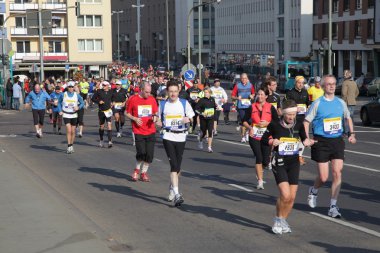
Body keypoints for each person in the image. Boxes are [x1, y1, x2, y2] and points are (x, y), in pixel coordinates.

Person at [304, 75, 356, 218]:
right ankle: (313, 190)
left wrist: (352, 133)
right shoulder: (317, 103)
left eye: (334, 84)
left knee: (338, 172)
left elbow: (348, 118)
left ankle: (333, 206)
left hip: (337, 141)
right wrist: (307, 138)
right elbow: (306, 121)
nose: (332, 86)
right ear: (323, 86)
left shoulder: (340, 102)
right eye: (329, 84)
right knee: (324, 177)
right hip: (321, 141)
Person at [262, 100, 313, 234]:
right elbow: (263, 139)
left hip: (294, 162)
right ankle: (278, 220)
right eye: (289, 114)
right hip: (279, 161)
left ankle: (283, 220)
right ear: (283, 113)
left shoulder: (299, 124)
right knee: (285, 194)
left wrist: (309, 141)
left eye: (293, 114)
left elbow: (304, 139)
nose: (291, 117)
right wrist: (272, 141)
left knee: (291, 197)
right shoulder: (274, 125)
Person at [158, 81, 195, 206]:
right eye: (171, 91)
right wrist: (157, 122)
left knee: (177, 167)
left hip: (181, 137)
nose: (173, 93)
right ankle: (178, 195)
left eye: (175, 91)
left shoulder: (184, 103)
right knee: (173, 164)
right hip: (168, 136)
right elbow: (157, 118)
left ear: (179, 91)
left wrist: (188, 119)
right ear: (167, 92)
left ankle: (172, 188)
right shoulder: (163, 104)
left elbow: (191, 116)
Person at [243, 87, 278, 189]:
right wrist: (250, 128)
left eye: (262, 94)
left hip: (267, 137)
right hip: (254, 136)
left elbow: (276, 122)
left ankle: (259, 171)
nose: (260, 96)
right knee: (259, 157)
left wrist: (268, 123)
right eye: (258, 94)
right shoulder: (252, 107)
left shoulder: (271, 108)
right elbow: (244, 121)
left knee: (266, 161)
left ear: (266, 96)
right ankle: (260, 181)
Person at [126, 81, 159, 182]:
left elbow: (156, 113)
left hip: (151, 130)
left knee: (149, 155)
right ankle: (136, 170)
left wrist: (155, 118)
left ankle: (143, 173)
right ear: (141, 90)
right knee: (141, 152)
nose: (148, 94)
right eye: (146, 92)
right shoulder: (133, 99)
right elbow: (126, 113)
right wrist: (135, 119)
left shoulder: (152, 99)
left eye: (150, 92)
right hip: (138, 130)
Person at [284, 76, 310, 165]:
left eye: (302, 83)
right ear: (295, 83)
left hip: (302, 118)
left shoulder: (305, 92)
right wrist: (295, 108)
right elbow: (285, 104)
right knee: (293, 138)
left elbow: (308, 103)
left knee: (302, 138)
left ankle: (299, 156)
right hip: (292, 119)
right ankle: (290, 156)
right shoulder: (290, 93)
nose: (301, 84)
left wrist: (309, 107)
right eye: (299, 83)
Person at [58, 81, 84, 154]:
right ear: (67, 87)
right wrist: (60, 110)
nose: (71, 88)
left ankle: (71, 145)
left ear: (74, 88)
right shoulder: (63, 94)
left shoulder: (77, 95)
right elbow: (59, 103)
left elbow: (82, 103)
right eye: (69, 87)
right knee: (69, 130)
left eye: (72, 87)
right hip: (66, 114)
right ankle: (69, 146)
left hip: (74, 114)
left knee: (73, 131)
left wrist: (78, 107)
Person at [231, 73, 255, 143]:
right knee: (243, 121)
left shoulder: (250, 85)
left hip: (249, 106)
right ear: (240, 79)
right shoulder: (237, 86)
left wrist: (252, 96)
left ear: (247, 78)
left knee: (250, 121)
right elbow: (232, 96)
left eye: (245, 78)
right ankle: (243, 136)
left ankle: (247, 133)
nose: (244, 80)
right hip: (241, 106)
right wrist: (237, 98)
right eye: (242, 78)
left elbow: (254, 93)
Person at [92, 81, 114, 148]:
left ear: (108, 85)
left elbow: (113, 98)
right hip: (101, 111)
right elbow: (93, 99)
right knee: (102, 126)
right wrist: (99, 101)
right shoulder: (99, 91)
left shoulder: (111, 92)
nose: (103, 86)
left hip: (108, 111)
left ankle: (110, 141)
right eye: (103, 85)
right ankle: (101, 140)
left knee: (109, 125)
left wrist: (113, 102)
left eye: (105, 85)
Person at [195, 87, 217, 153]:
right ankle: (200, 140)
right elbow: (196, 109)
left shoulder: (212, 99)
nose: (205, 93)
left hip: (211, 118)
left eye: (207, 92)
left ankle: (209, 147)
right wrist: (202, 113)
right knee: (203, 132)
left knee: (210, 131)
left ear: (210, 93)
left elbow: (214, 107)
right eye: (204, 92)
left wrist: (217, 107)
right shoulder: (201, 100)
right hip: (203, 118)